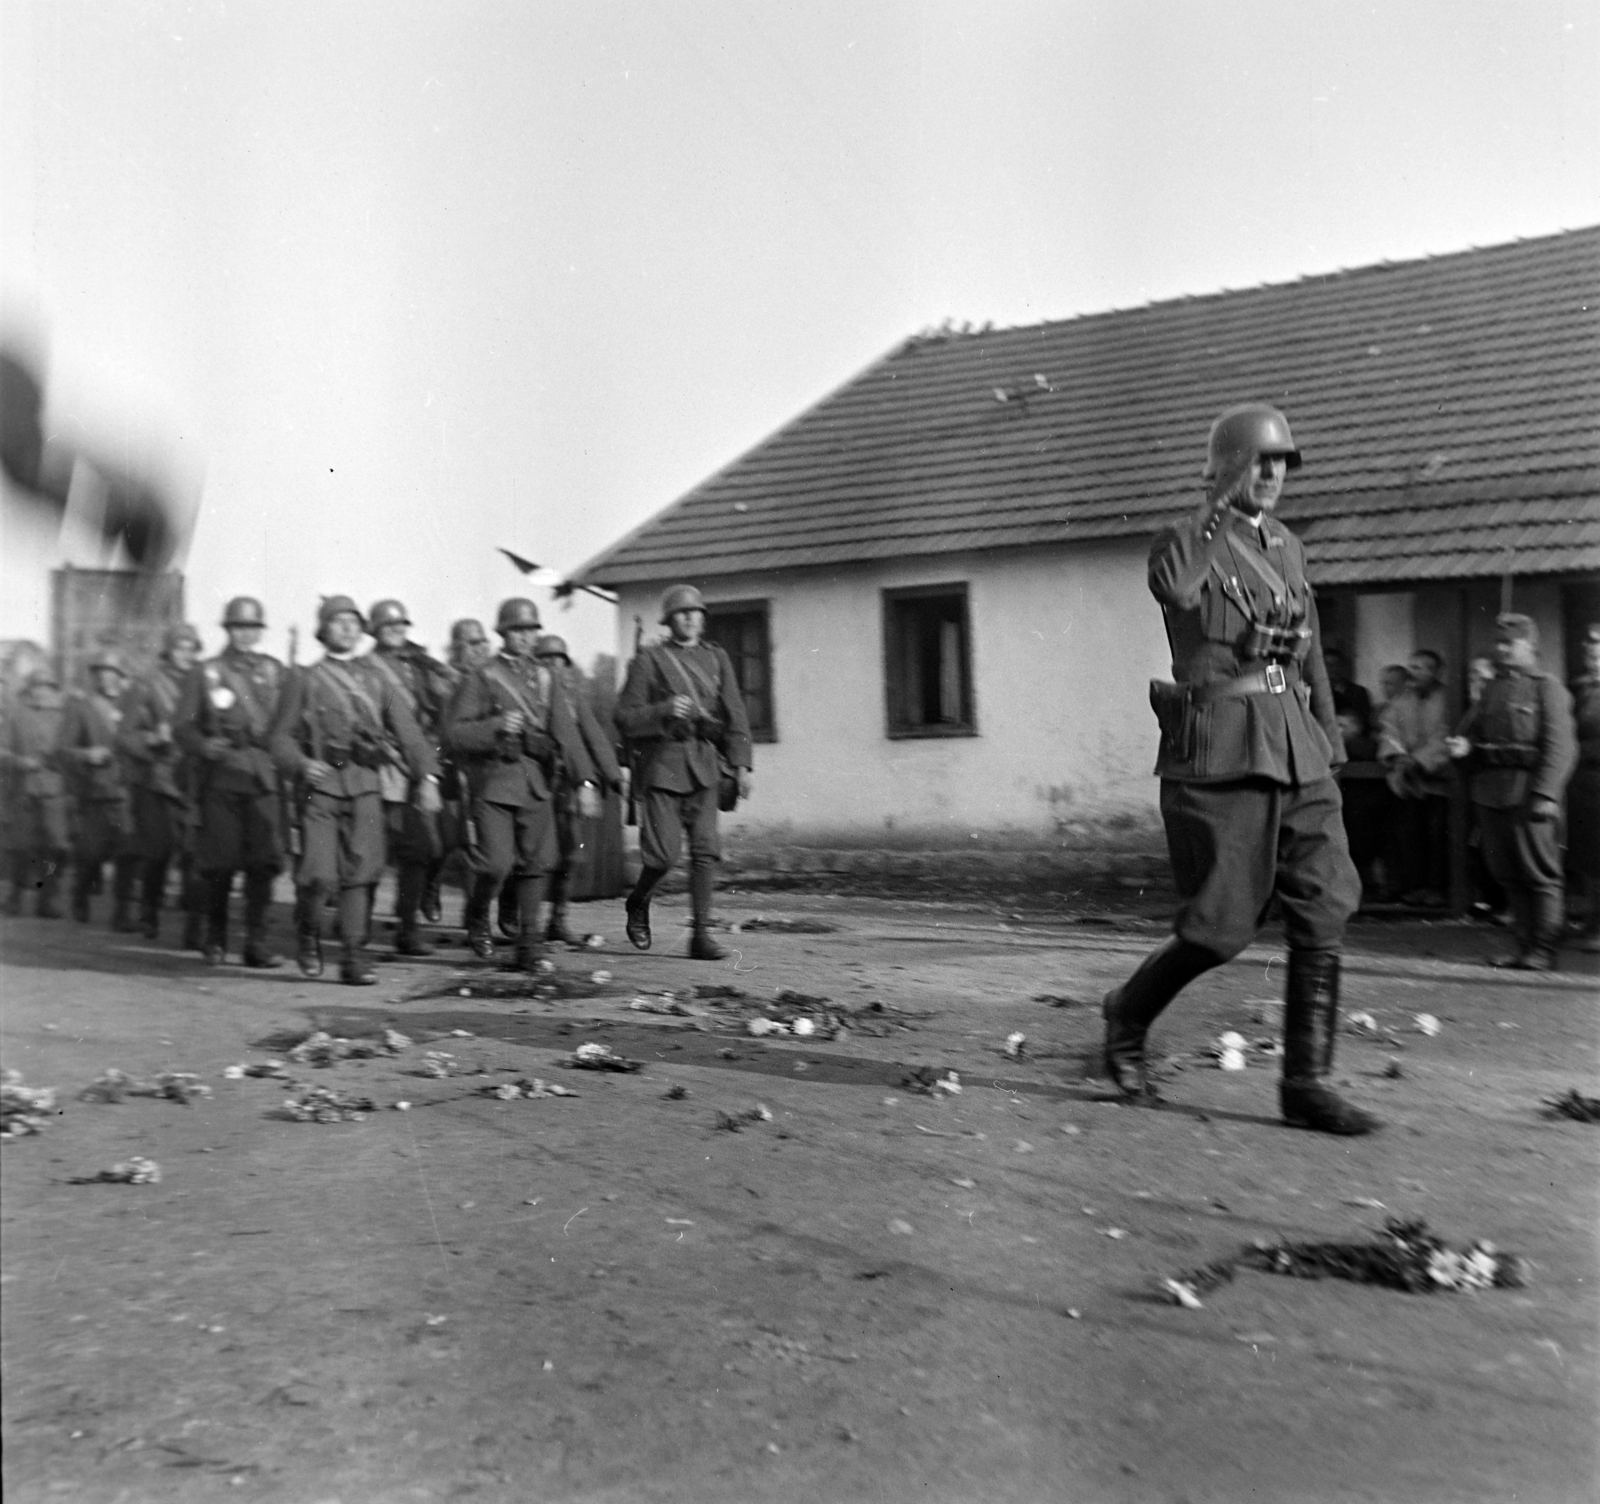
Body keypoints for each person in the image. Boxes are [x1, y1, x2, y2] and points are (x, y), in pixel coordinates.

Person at [1100, 403, 1378, 1135]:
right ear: (1227, 468)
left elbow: (1306, 641)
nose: (1274, 476)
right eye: (1260, 462)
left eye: (1282, 464)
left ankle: (1306, 1084)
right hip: (1221, 746)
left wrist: (1326, 732)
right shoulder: (1185, 541)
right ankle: (1128, 1014)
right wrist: (1216, 508)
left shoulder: (1287, 545)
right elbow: (1180, 590)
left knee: (1326, 901)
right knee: (1220, 929)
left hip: (1293, 740)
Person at [269, 597, 440, 985]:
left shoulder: (380, 682)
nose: (346, 628)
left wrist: (427, 778)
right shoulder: (305, 678)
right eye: (337, 622)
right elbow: (278, 737)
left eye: (352, 622)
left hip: (364, 786)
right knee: (317, 876)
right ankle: (308, 931)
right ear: (324, 630)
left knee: (361, 874)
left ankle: (352, 954)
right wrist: (300, 763)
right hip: (321, 789)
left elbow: (410, 734)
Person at [443, 598, 597, 969]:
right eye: (517, 630)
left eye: (531, 631)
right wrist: (496, 726)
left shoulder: (548, 678)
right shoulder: (482, 676)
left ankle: (529, 943)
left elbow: (566, 733)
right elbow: (455, 735)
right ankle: (479, 914)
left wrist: (586, 781)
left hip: (536, 783)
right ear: (503, 633)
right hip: (494, 784)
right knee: (496, 864)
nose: (526, 637)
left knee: (536, 864)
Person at [614, 584, 754, 961]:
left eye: (696, 612)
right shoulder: (650, 660)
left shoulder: (716, 658)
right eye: (681, 613)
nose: (690, 618)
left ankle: (701, 935)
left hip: (705, 764)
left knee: (706, 852)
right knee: (662, 856)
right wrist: (662, 710)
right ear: (669, 620)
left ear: (703, 619)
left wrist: (740, 764)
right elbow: (624, 717)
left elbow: (735, 712)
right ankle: (638, 901)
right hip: (663, 767)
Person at [1447, 614, 1578, 970]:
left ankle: (1543, 950)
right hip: (1491, 794)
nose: (1501, 649)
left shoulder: (1546, 687)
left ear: (1530, 646)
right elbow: (1474, 740)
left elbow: (1561, 747)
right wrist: (1464, 751)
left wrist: (1547, 795)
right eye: (1498, 643)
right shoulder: (1491, 689)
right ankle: (1523, 948)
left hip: (1529, 796)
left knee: (1540, 875)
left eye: (1510, 643)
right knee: (1507, 874)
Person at [174, 596, 286, 967]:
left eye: (253, 628)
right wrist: (204, 744)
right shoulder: (205, 672)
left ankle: (257, 942)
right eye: (239, 627)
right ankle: (216, 935)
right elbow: (182, 727)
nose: (246, 634)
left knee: (263, 863)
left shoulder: (275, 671)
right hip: (221, 777)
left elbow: (288, 723)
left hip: (263, 776)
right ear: (228, 629)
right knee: (220, 863)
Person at [364, 598, 456, 955]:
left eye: (401, 625)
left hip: (417, 764)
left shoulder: (418, 666)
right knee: (372, 852)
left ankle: (407, 927)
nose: (397, 631)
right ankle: (356, 923)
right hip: (383, 768)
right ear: (375, 631)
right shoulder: (369, 668)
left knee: (420, 850)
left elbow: (438, 709)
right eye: (389, 626)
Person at [116, 623, 204, 943]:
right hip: (158, 780)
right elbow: (124, 735)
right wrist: (152, 737)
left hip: (196, 781)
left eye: (191, 647)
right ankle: (149, 914)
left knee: (196, 856)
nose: (186, 654)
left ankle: (195, 927)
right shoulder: (147, 685)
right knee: (158, 853)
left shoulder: (206, 682)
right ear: (168, 650)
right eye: (180, 647)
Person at [534, 633, 623, 944]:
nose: (552, 666)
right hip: (534, 785)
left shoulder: (573, 699)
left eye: (558, 661)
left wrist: (613, 775)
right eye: (545, 660)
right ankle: (518, 919)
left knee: (570, 854)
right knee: (530, 853)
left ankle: (558, 919)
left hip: (566, 786)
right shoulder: (529, 694)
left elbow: (594, 735)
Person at [57, 648, 136, 927]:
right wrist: (87, 754)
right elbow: (62, 750)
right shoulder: (81, 706)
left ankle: (122, 913)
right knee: (91, 853)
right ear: (93, 676)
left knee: (128, 851)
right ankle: (80, 896)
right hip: (95, 792)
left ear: (121, 675)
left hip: (127, 790)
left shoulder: (130, 705)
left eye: (111, 672)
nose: (106, 677)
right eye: (100, 672)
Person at [1376, 648, 1453, 906]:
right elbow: (1388, 730)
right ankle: (1412, 887)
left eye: (1422, 667)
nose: (1415, 672)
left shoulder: (1449, 700)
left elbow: (1446, 735)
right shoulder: (1401, 701)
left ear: (1437, 671)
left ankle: (1436, 889)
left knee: (1438, 837)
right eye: (1413, 667)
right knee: (1409, 836)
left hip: (1438, 782)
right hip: (1407, 781)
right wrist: (1398, 757)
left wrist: (1420, 760)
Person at [1, 664, 70, 916]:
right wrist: (20, 761)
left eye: (47, 687)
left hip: (55, 791)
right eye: (36, 687)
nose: (41, 692)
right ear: (29, 690)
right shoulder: (16, 714)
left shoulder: (63, 716)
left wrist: (61, 758)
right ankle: (15, 896)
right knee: (22, 847)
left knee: (56, 847)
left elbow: (71, 748)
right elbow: (2, 750)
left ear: (54, 690)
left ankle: (48, 898)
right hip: (24, 791)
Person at [1566, 623, 1600, 951]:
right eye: (1588, 646)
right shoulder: (1580, 689)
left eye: (1598, 645)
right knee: (1589, 856)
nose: (1591, 652)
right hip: (1583, 782)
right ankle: (1593, 921)